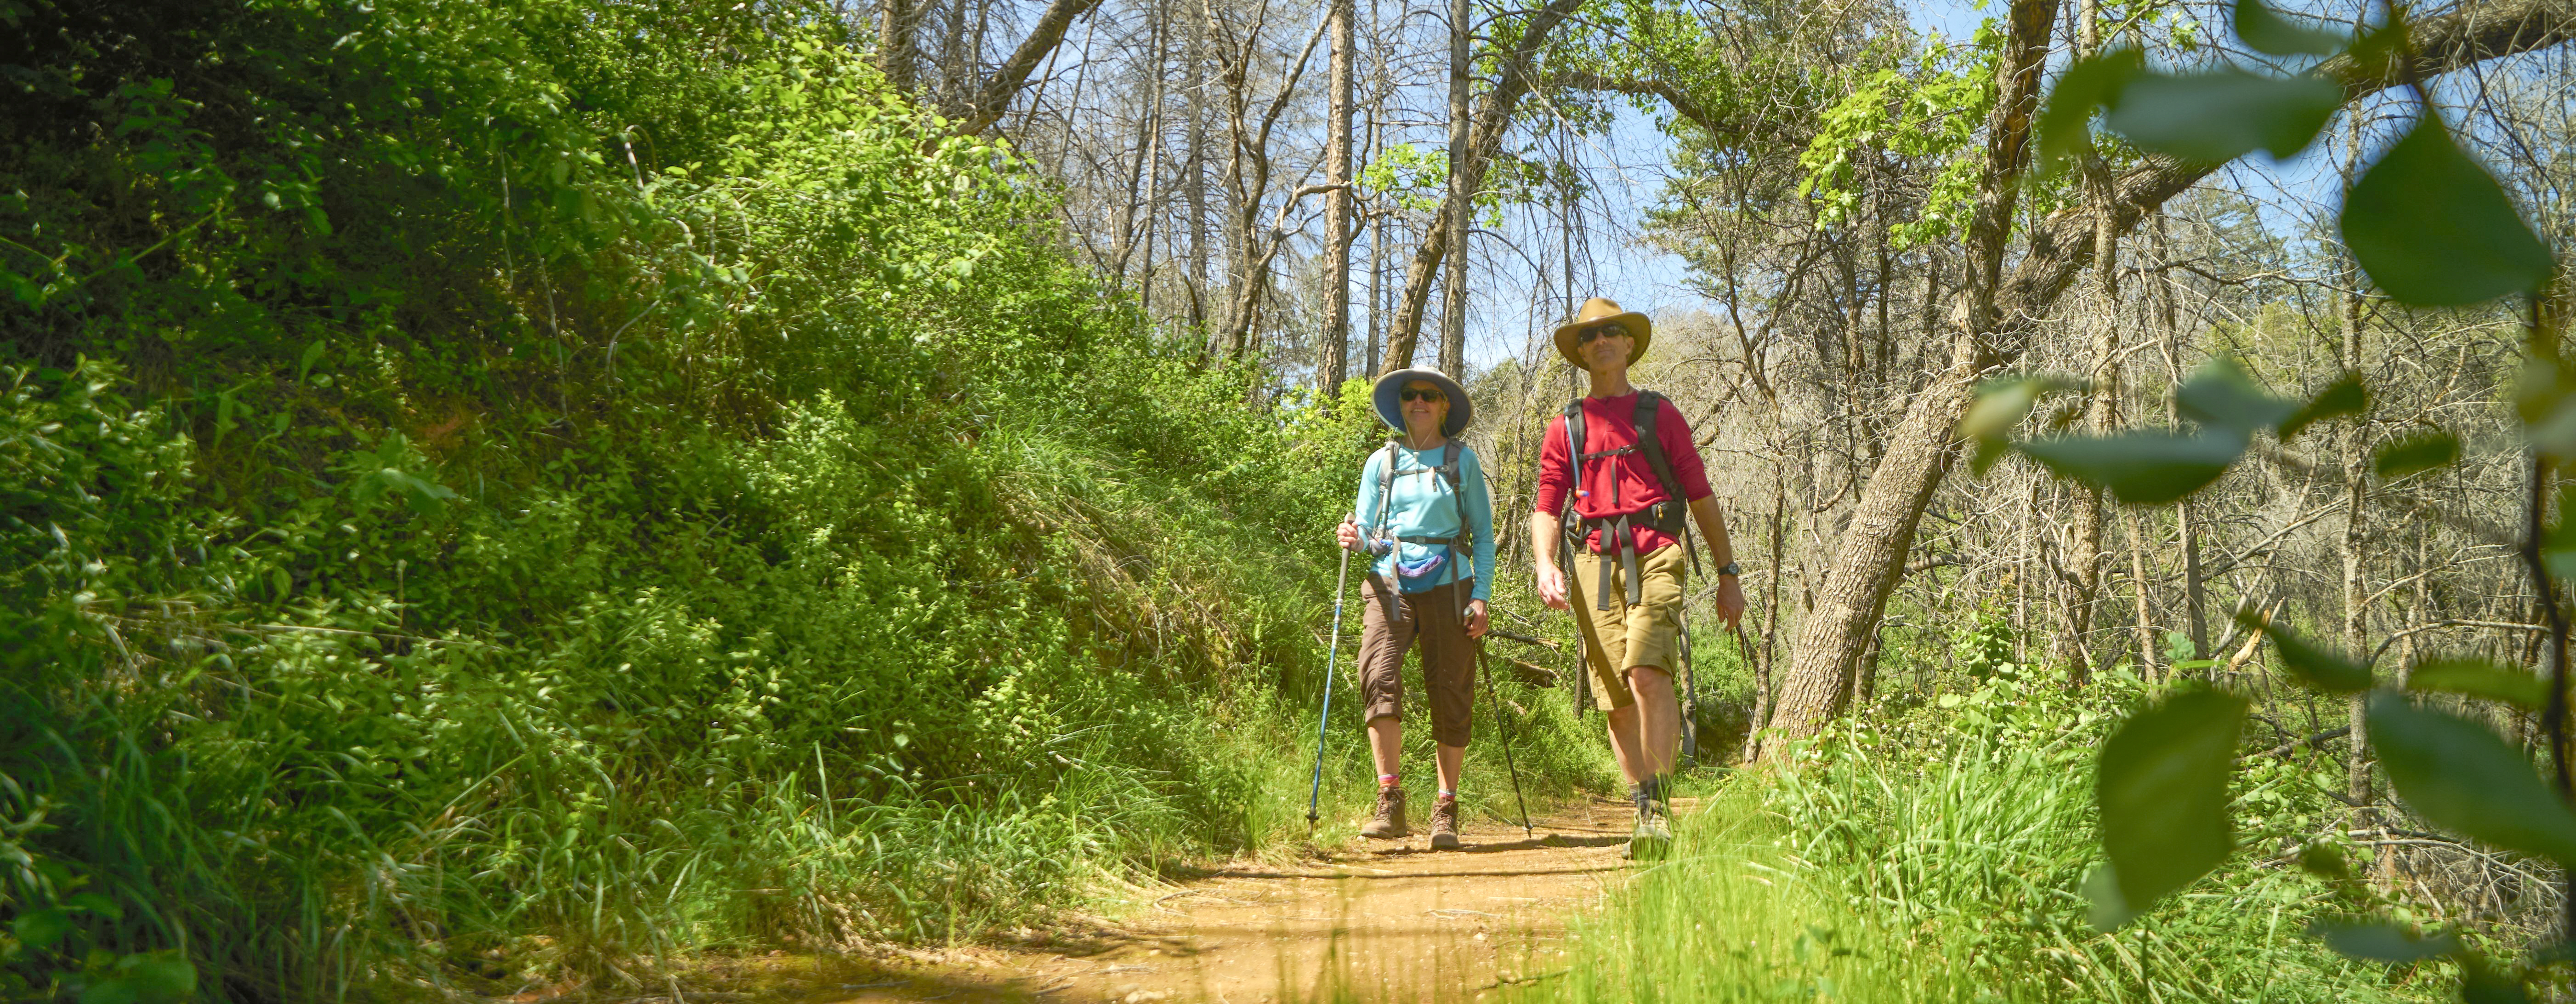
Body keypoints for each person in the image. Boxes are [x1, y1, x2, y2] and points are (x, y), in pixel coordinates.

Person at [1529, 297, 1746, 860]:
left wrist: (1727, 575)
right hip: (1592, 561)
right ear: (1579, 352)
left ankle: (1660, 805)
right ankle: (1643, 808)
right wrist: (1544, 564)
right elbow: (1547, 505)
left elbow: (1699, 494)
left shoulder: (1658, 414)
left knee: (1647, 673)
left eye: (1612, 332)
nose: (1600, 341)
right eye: (1589, 335)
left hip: (1656, 552)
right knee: (1616, 699)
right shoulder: (1566, 426)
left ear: (1628, 344)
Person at [1333, 367, 1495, 850]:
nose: (1418, 402)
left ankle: (1445, 806)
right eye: (1410, 395)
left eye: (1429, 396)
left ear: (1445, 406)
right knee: (1377, 671)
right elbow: (1365, 529)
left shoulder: (1461, 462)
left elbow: (1483, 538)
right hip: (1389, 580)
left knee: (1449, 685)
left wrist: (1481, 596)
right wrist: (1352, 536)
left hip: (1452, 583)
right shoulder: (1380, 463)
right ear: (1400, 403)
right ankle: (1390, 801)